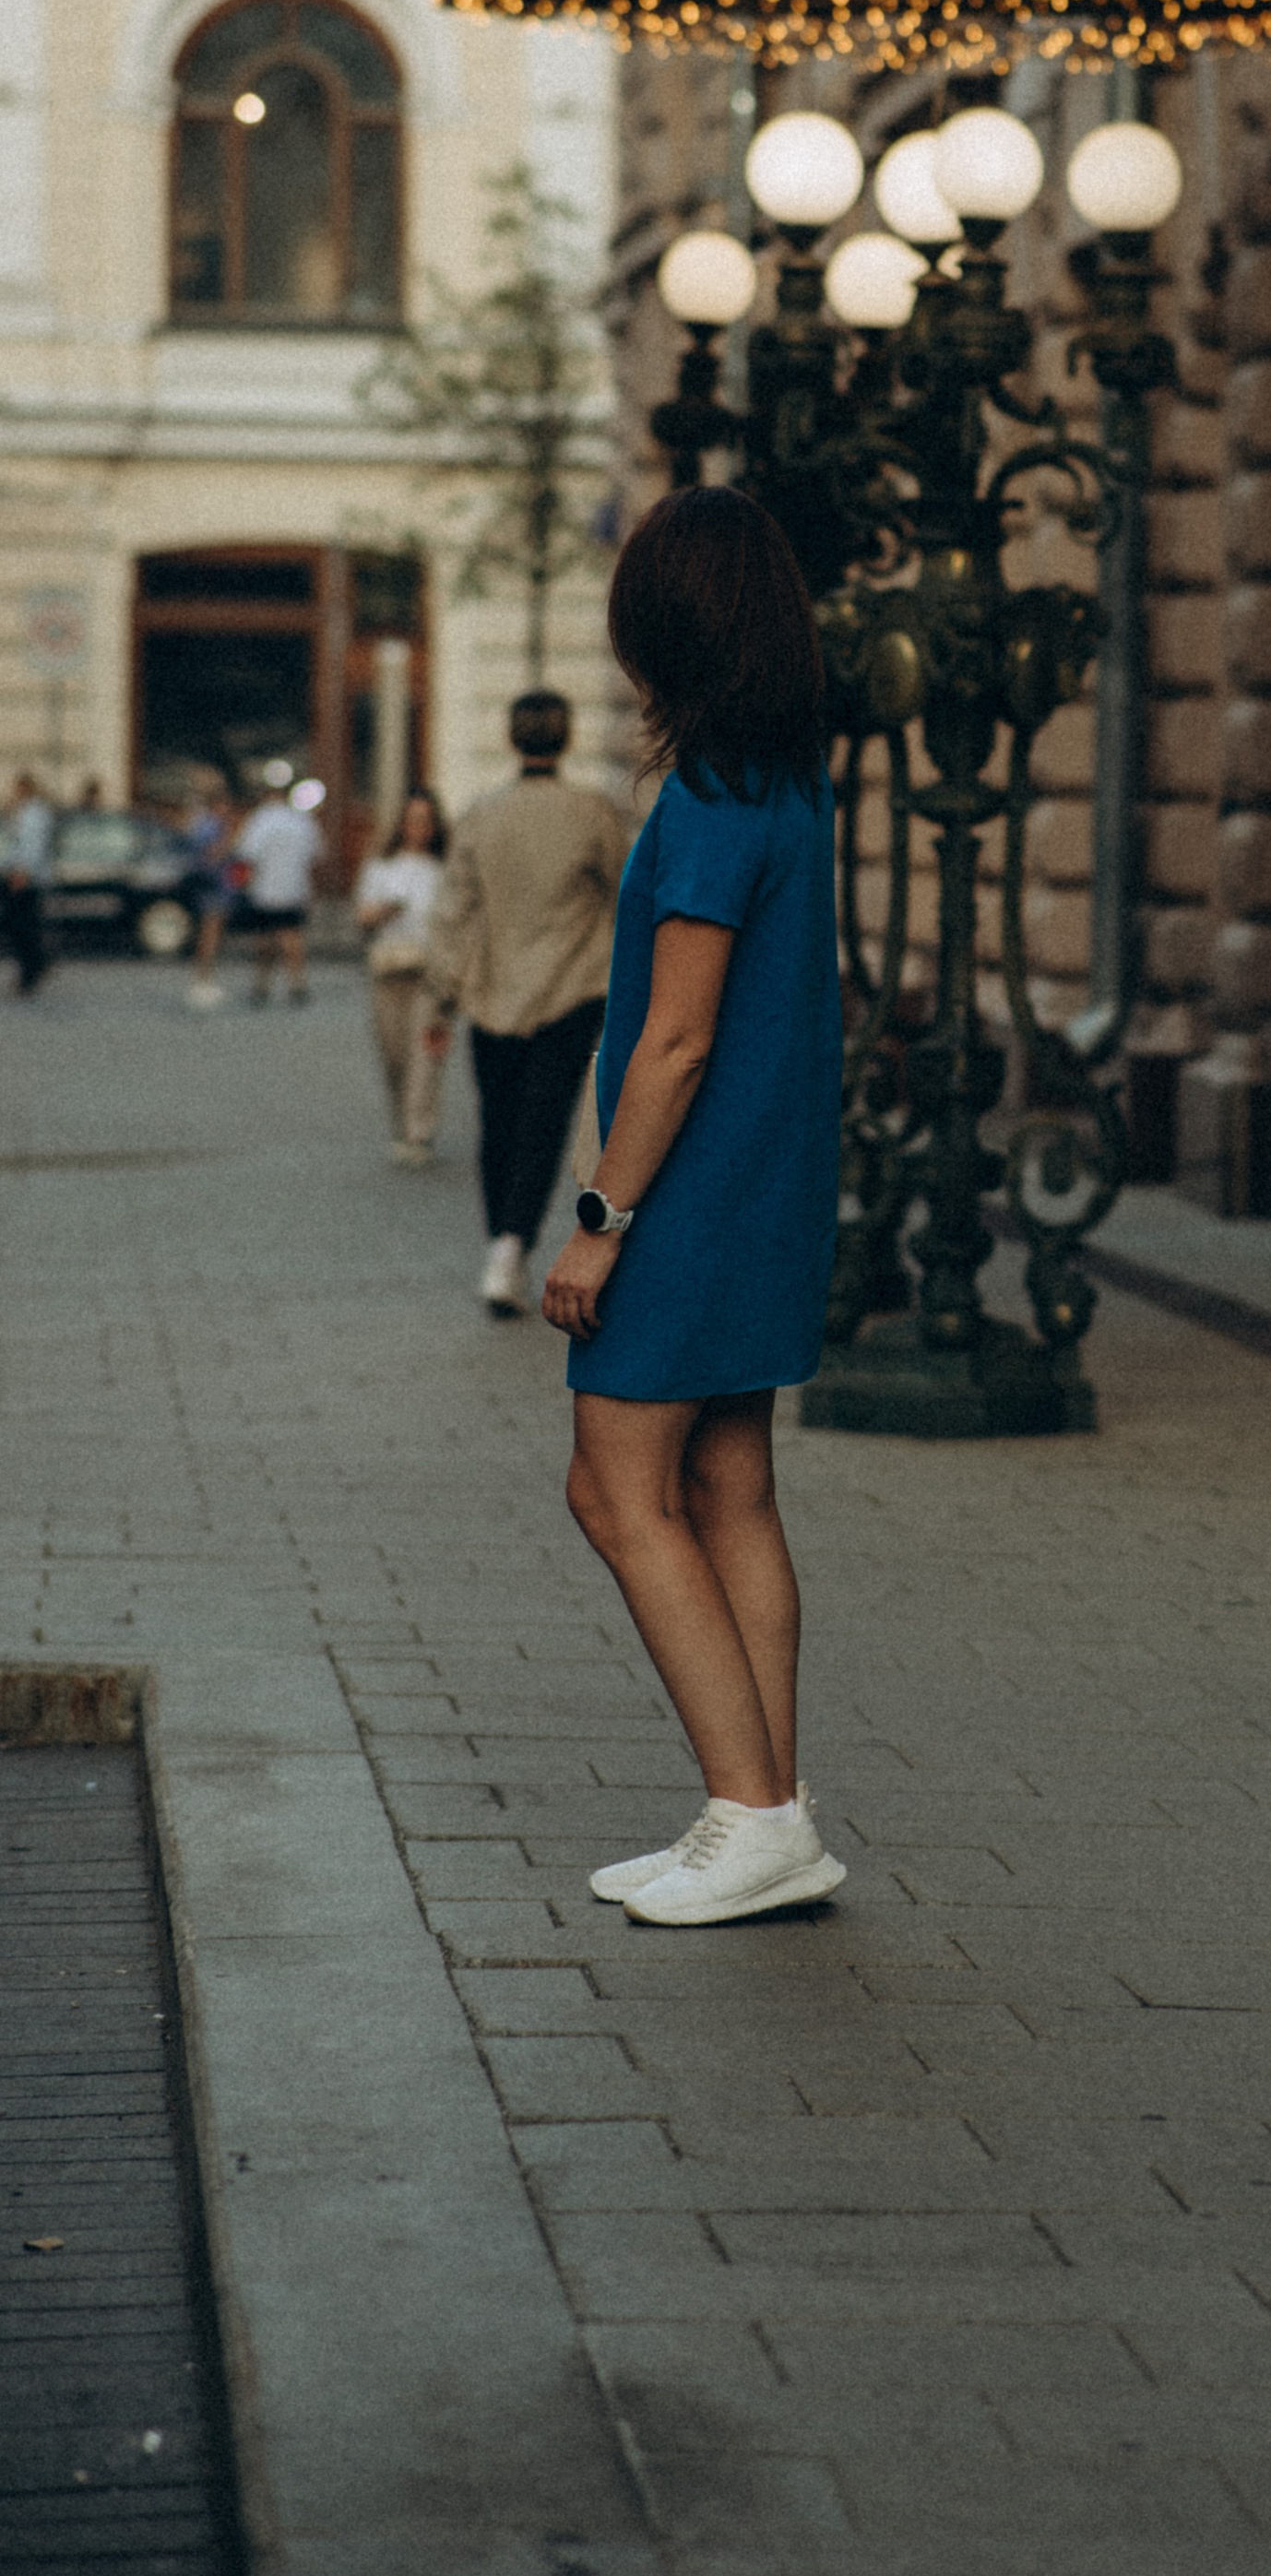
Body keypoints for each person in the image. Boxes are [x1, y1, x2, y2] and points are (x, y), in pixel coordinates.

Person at [542, 486, 845, 1932]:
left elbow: (674, 1041)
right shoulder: (784, 781)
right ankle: (765, 1818)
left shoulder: (712, 797)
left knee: (615, 1489)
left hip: (692, 1203)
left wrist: (600, 1215)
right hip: (764, 1194)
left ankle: (750, 1808)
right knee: (727, 1486)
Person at [422, 686, 634, 1316]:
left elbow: (453, 911)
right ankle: (513, 1247)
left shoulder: (482, 814)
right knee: (544, 1125)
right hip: (572, 990)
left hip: (492, 994)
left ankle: (499, 1246)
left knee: (500, 1124)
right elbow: (629, 890)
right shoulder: (591, 812)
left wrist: (442, 995)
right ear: (565, 739)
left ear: (513, 739)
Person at [354, 789, 449, 1164]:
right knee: (394, 1056)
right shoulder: (382, 866)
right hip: (388, 969)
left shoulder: (444, 869)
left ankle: (418, 1132)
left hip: (429, 973)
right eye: (412, 819)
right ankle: (401, 1125)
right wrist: (381, 912)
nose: (419, 828)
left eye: (426, 820)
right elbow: (361, 915)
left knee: (424, 1054)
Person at [234, 763, 321, 1006]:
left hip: (266, 889)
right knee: (292, 936)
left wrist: (243, 885)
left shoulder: (260, 820)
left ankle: (262, 983)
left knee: (265, 939)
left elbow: (246, 855)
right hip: (294, 888)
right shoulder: (302, 820)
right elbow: (314, 856)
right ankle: (297, 982)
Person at [179, 778, 238, 1011]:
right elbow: (207, 855)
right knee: (209, 935)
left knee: (212, 934)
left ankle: (205, 980)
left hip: (219, 887)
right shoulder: (209, 826)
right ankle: (203, 981)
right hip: (212, 887)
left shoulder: (206, 823)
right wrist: (227, 842)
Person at [2, 771, 56, 996]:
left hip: (24, 879)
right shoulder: (24, 811)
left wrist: (22, 872)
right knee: (23, 926)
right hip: (18, 875)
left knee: (21, 927)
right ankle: (36, 965)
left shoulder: (35, 813)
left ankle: (32, 969)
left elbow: (32, 846)